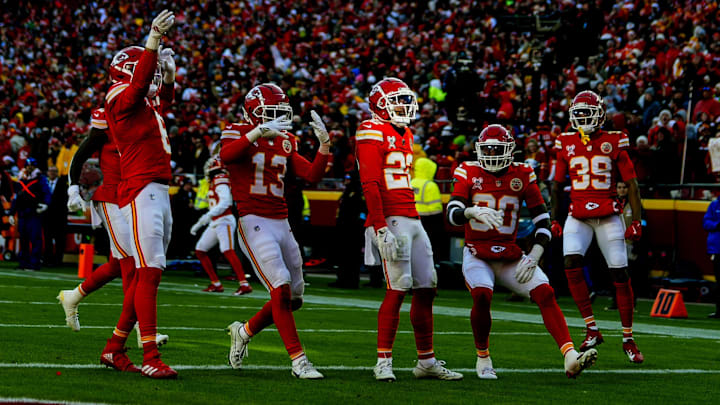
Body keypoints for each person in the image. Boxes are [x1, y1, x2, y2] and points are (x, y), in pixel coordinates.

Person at [447, 124, 597, 379]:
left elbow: (543, 221)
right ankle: (483, 358)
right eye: (488, 149)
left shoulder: (523, 174)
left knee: (546, 293)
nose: (493, 154)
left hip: (509, 254)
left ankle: (570, 356)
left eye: (498, 149)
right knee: (482, 295)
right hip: (477, 252)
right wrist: (470, 211)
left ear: (510, 151)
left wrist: (536, 254)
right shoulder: (468, 171)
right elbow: (452, 214)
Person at [220, 83, 329, 379]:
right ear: (253, 114)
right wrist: (256, 133)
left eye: (280, 112)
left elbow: (311, 174)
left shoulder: (286, 140)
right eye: (270, 113)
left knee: (294, 299)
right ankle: (299, 361)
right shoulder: (236, 130)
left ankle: (244, 331)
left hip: (281, 221)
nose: (276, 118)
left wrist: (324, 146)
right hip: (253, 219)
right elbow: (227, 156)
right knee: (279, 286)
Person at [357, 77, 462, 382]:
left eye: (405, 100)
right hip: (391, 219)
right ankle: (383, 360)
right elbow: (371, 183)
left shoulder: (406, 133)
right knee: (398, 286)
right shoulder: (371, 129)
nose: (404, 106)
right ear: (380, 104)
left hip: (413, 217)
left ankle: (426, 361)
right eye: (397, 101)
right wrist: (379, 226)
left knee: (427, 287)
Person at [103, 9, 177, 379]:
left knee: (145, 274)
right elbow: (136, 88)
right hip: (140, 189)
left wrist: (172, 78)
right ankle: (150, 354)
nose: (156, 79)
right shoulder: (119, 97)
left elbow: (157, 96)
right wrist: (151, 41)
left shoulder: (142, 103)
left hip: (157, 189)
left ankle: (115, 347)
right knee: (148, 272)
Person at [57, 107, 168, 352]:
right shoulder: (113, 113)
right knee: (132, 261)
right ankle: (142, 329)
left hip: (137, 196)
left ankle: (73, 296)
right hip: (113, 197)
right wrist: (73, 188)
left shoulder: (145, 114)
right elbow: (83, 151)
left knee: (119, 263)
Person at [551, 90, 645, 363]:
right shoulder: (566, 141)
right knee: (570, 261)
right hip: (577, 213)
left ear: (600, 113)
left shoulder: (614, 140)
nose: (582, 117)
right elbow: (557, 186)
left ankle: (628, 338)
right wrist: (554, 218)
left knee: (619, 271)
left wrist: (636, 220)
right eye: (578, 113)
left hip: (608, 214)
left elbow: (632, 185)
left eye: (587, 112)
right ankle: (592, 327)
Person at [190, 155, 252, 295]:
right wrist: (201, 222)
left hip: (224, 220)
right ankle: (216, 283)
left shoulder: (220, 180)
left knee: (227, 250)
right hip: (216, 221)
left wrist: (206, 217)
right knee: (200, 250)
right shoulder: (214, 182)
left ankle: (244, 284)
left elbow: (226, 203)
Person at [9, 157, 49, 271]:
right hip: (22, 213)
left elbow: (46, 192)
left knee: (35, 238)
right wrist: (12, 213)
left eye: (31, 165)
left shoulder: (40, 179)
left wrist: (46, 204)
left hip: (34, 212)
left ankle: (34, 263)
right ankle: (23, 262)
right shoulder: (21, 180)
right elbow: (16, 198)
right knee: (23, 239)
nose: (29, 168)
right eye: (27, 165)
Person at [411, 156, 447, 263]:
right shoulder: (430, 186)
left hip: (411, 219)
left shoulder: (410, 182)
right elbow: (436, 210)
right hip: (430, 222)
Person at [43, 166, 67, 267]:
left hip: (59, 217)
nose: (52, 173)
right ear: (47, 172)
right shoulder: (44, 183)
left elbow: (64, 200)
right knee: (47, 239)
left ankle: (58, 261)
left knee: (59, 240)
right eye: (50, 171)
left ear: (57, 173)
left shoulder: (63, 184)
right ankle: (48, 260)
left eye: (54, 171)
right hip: (47, 217)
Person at [702, 196, 720, 318]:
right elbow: (706, 223)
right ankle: (719, 310)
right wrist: (717, 224)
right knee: (719, 280)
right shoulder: (715, 205)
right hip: (717, 248)